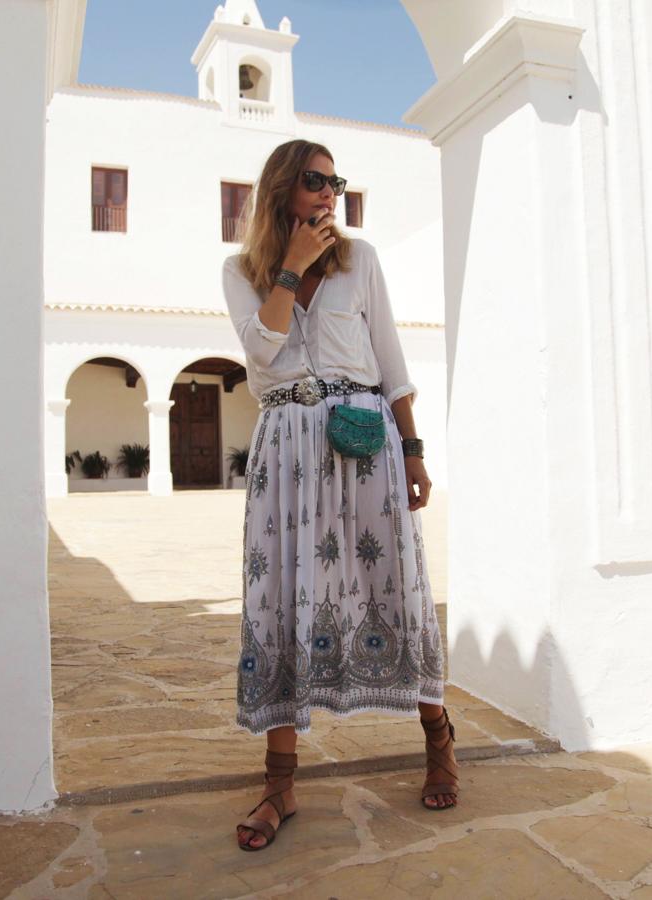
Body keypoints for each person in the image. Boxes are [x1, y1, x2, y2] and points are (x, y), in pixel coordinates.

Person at [222, 139, 458, 852]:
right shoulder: (241, 273)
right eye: (317, 182)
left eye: (336, 182)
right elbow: (261, 350)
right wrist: (290, 268)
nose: (330, 194)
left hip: (365, 445)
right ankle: (279, 783)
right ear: (283, 190)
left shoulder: (363, 263)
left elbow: (391, 360)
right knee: (284, 602)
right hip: (287, 453)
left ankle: (438, 736)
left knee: (397, 590)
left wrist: (413, 451)